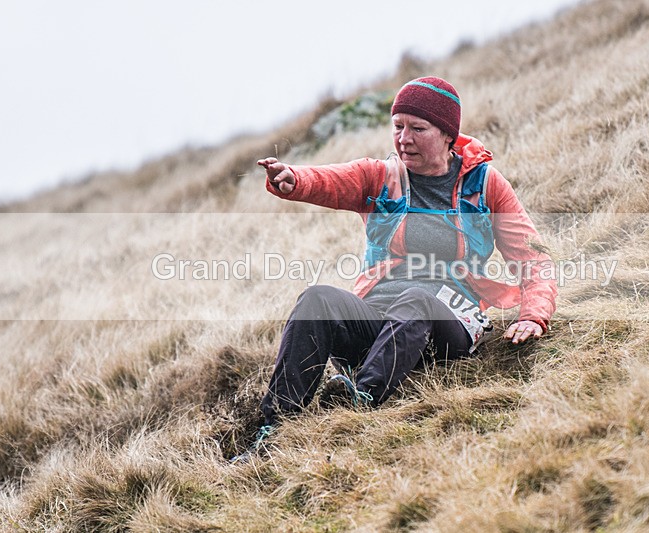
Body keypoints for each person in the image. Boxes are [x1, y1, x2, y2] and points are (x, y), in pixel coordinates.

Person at [236, 77, 557, 458]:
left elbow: (533, 257)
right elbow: (332, 180)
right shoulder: (381, 177)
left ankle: (358, 400)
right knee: (317, 299)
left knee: (417, 298)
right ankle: (272, 428)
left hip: (445, 323)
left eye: (417, 128)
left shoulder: (486, 185)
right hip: (377, 320)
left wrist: (533, 315)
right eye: (397, 126)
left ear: (446, 135)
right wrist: (293, 179)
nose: (403, 138)